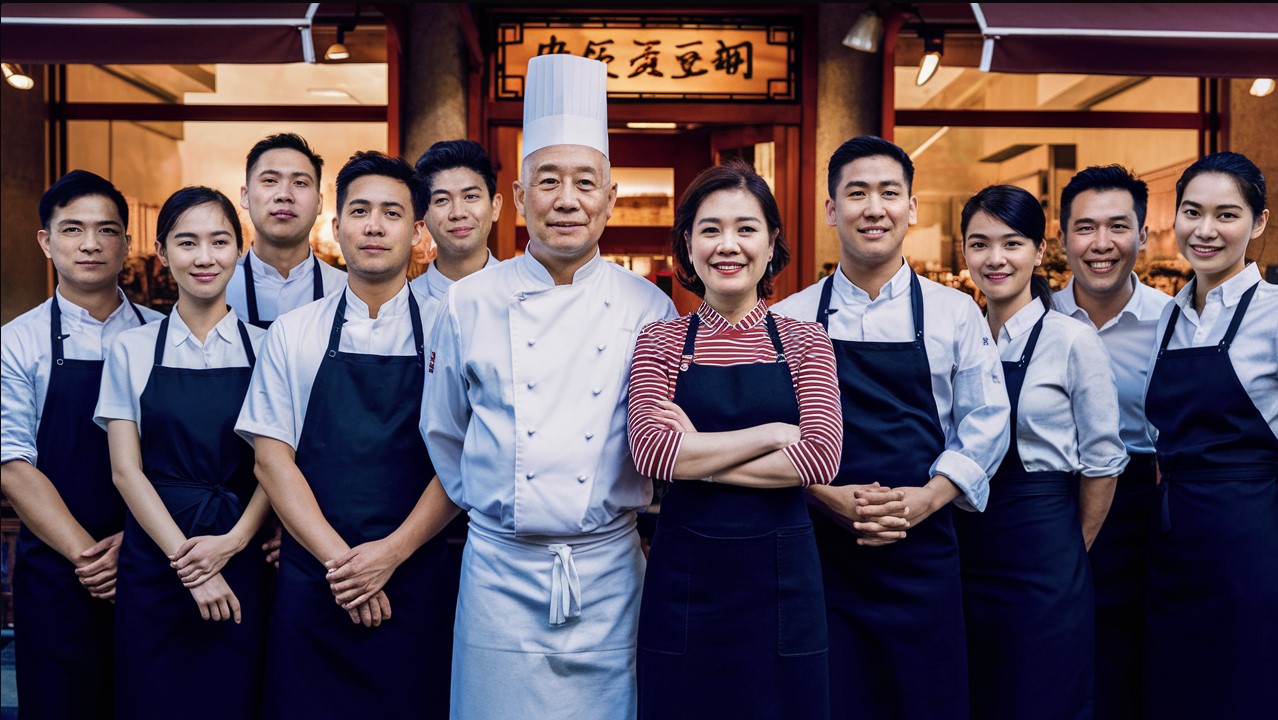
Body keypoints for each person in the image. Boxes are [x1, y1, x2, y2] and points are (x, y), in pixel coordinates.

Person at [421, 54, 677, 720]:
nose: (568, 200)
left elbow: (662, 442)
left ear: (610, 199)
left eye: (585, 183)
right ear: (517, 195)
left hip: (609, 574)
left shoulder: (647, 307)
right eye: (549, 181)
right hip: (499, 575)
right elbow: (445, 431)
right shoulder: (469, 302)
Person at [772, 136, 1010, 720]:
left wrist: (927, 498)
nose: (873, 208)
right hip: (823, 553)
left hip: (923, 550)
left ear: (912, 207)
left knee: (926, 698)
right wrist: (825, 497)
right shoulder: (790, 317)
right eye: (856, 193)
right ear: (831, 210)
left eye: (888, 193)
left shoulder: (955, 312)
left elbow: (988, 420)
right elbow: (772, 433)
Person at [236, 151, 456, 719]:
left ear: (417, 231)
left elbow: (462, 461)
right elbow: (271, 461)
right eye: (360, 211)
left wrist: (390, 555)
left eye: (391, 213)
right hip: (316, 576)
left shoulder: (451, 330)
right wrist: (346, 565)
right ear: (337, 227)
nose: (375, 226)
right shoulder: (294, 332)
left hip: (416, 573)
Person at [628, 160, 840, 719]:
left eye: (746, 229)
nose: (729, 245)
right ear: (689, 246)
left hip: (782, 585)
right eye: (710, 229)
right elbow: (650, 451)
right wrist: (771, 434)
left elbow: (820, 457)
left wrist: (696, 454)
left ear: (772, 244)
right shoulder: (660, 340)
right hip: (686, 585)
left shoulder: (805, 340)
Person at [94, 187, 270, 719]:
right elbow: (126, 472)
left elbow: (276, 467)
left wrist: (232, 544)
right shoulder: (130, 349)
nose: (203, 257)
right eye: (186, 242)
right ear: (162, 250)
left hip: (240, 554)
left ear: (239, 250)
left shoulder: (268, 347)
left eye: (219, 241)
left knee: (236, 699)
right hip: (156, 561)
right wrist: (191, 565)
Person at [954, 185, 1125, 720]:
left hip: (1045, 546)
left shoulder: (1071, 339)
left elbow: (1103, 461)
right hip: (962, 541)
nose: (996, 259)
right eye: (980, 244)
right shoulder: (956, 335)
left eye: (1012, 243)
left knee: (1041, 694)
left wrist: (1071, 550)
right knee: (974, 691)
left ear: (1040, 247)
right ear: (964, 252)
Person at [1, 170, 162, 719]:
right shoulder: (17, 342)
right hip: (57, 572)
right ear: (46, 241)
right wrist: (90, 558)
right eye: (73, 230)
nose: (90, 244)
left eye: (106, 230)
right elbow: (11, 464)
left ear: (128, 243)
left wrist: (135, 547)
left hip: (155, 561)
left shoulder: (163, 333)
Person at [1143, 151, 1277, 718]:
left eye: (1226, 215)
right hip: (1172, 543)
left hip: (1252, 544)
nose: (1205, 230)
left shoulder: (1274, 314)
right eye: (1192, 212)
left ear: (1260, 223)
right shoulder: (1167, 317)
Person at [1051, 165, 1170, 720]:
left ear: (1143, 236)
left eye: (1118, 227)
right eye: (1085, 227)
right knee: (1053, 652)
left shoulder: (1174, 324)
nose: (1102, 244)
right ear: (1061, 236)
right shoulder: (1032, 317)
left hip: (1142, 507)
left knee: (1130, 658)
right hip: (1045, 500)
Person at [228, 132, 346, 329]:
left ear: (319, 203)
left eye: (299, 183)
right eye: (270, 180)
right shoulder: (220, 287)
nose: (284, 195)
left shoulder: (346, 291)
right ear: (245, 196)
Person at [409, 139, 502, 309]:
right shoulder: (404, 305)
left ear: (495, 207)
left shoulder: (524, 295)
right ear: (422, 213)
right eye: (442, 200)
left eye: (471, 196)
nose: (458, 213)